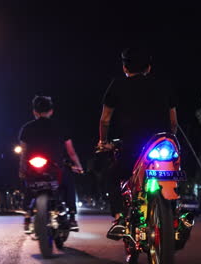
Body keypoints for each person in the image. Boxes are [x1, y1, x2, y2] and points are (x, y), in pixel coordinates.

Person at [98, 48, 179, 238]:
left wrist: (103, 142)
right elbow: (174, 122)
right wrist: (168, 139)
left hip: (133, 148)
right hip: (164, 145)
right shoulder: (164, 85)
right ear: (149, 68)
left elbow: (105, 120)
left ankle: (119, 218)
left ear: (125, 67)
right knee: (171, 177)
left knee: (111, 176)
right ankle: (174, 217)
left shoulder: (117, 85)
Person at [19, 95, 83, 231]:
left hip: (34, 167)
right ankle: (72, 216)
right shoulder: (60, 127)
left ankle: (27, 214)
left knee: (29, 184)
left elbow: (24, 153)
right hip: (55, 167)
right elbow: (71, 152)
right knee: (69, 182)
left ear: (34, 112)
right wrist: (78, 166)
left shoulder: (26, 128)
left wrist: (22, 169)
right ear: (51, 111)